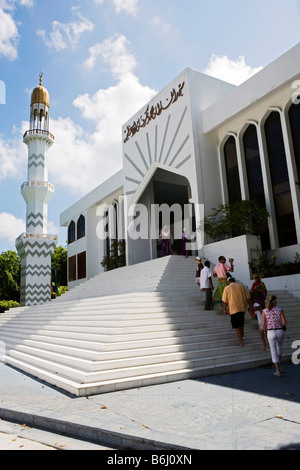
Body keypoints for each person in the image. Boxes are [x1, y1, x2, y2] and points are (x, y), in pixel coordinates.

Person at [222, 277, 251, 347]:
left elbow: (224, 301)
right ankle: (242, 331)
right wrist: (250, 306)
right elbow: (248, 297)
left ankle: (241, 342)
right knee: (241, 321)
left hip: (234, 309)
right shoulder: (241, 286)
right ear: (234, 281)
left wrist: (224, 309)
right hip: (242, 307)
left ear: (228, 281)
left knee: (236, 326)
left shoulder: (227, 288)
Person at [262, 295, 287, 376]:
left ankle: (277, 370)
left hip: (270, 331)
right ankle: (278, 365)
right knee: (279, 346)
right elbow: (284, 322)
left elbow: (263, 325)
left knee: (273, 351)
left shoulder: (265, 311)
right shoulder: (280, 310)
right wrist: (281, 325)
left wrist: (265, 333)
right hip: (280, 330)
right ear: (275, 302)